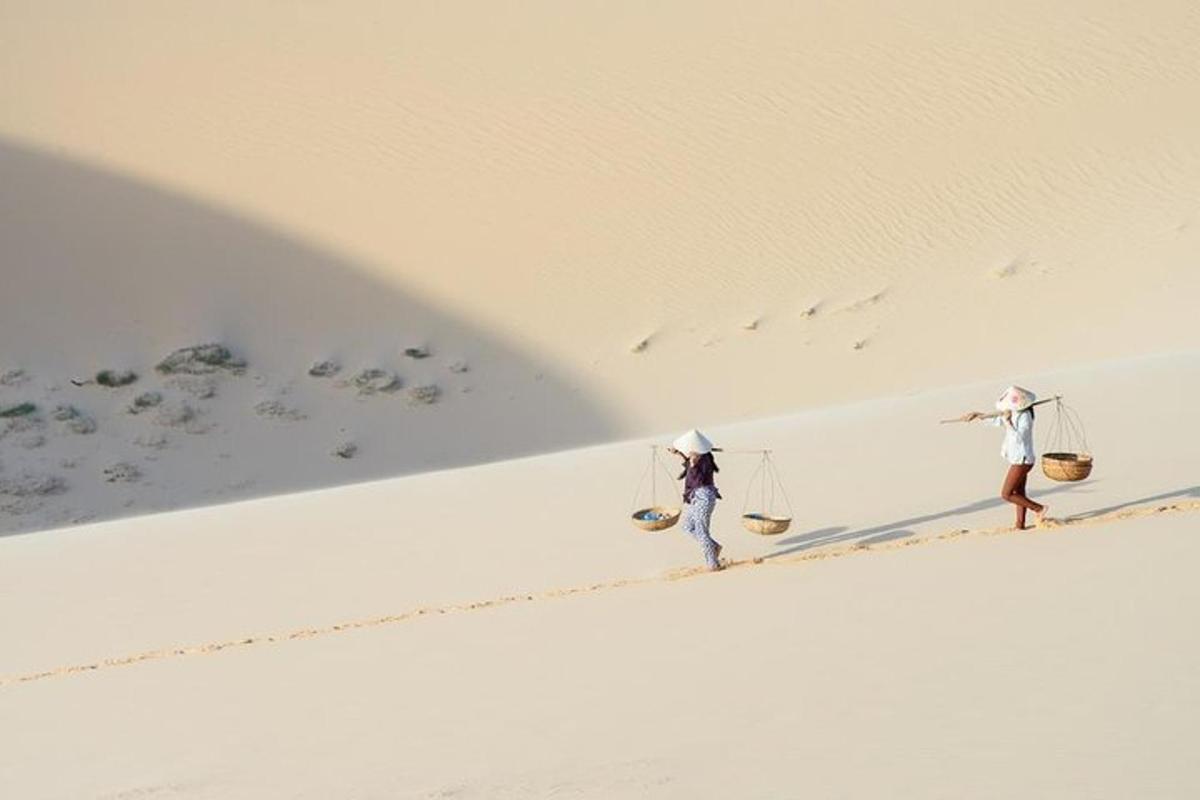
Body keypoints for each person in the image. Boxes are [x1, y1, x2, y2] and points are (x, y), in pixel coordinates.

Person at [959, 386, 1048, 530]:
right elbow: (996, 421)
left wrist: (1008, 422)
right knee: (1019, 493)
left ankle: (1039, 508)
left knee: (1006, 494)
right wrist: (977, 416)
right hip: (1017, 459)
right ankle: (1020, 524)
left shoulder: (1025, 416)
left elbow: (1020, 438)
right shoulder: (1013, 413)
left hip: (1023, 460)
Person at [666, 429, 724, 571]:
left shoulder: (703, 460)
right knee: (687, 527)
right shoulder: (697, 459)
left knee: (701, 530)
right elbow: (688, 463)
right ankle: (713, 546)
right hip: (695, 498)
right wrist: (679, 454)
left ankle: (713, 564)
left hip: (704, 496)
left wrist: (692, 463)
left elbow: (696, 473)